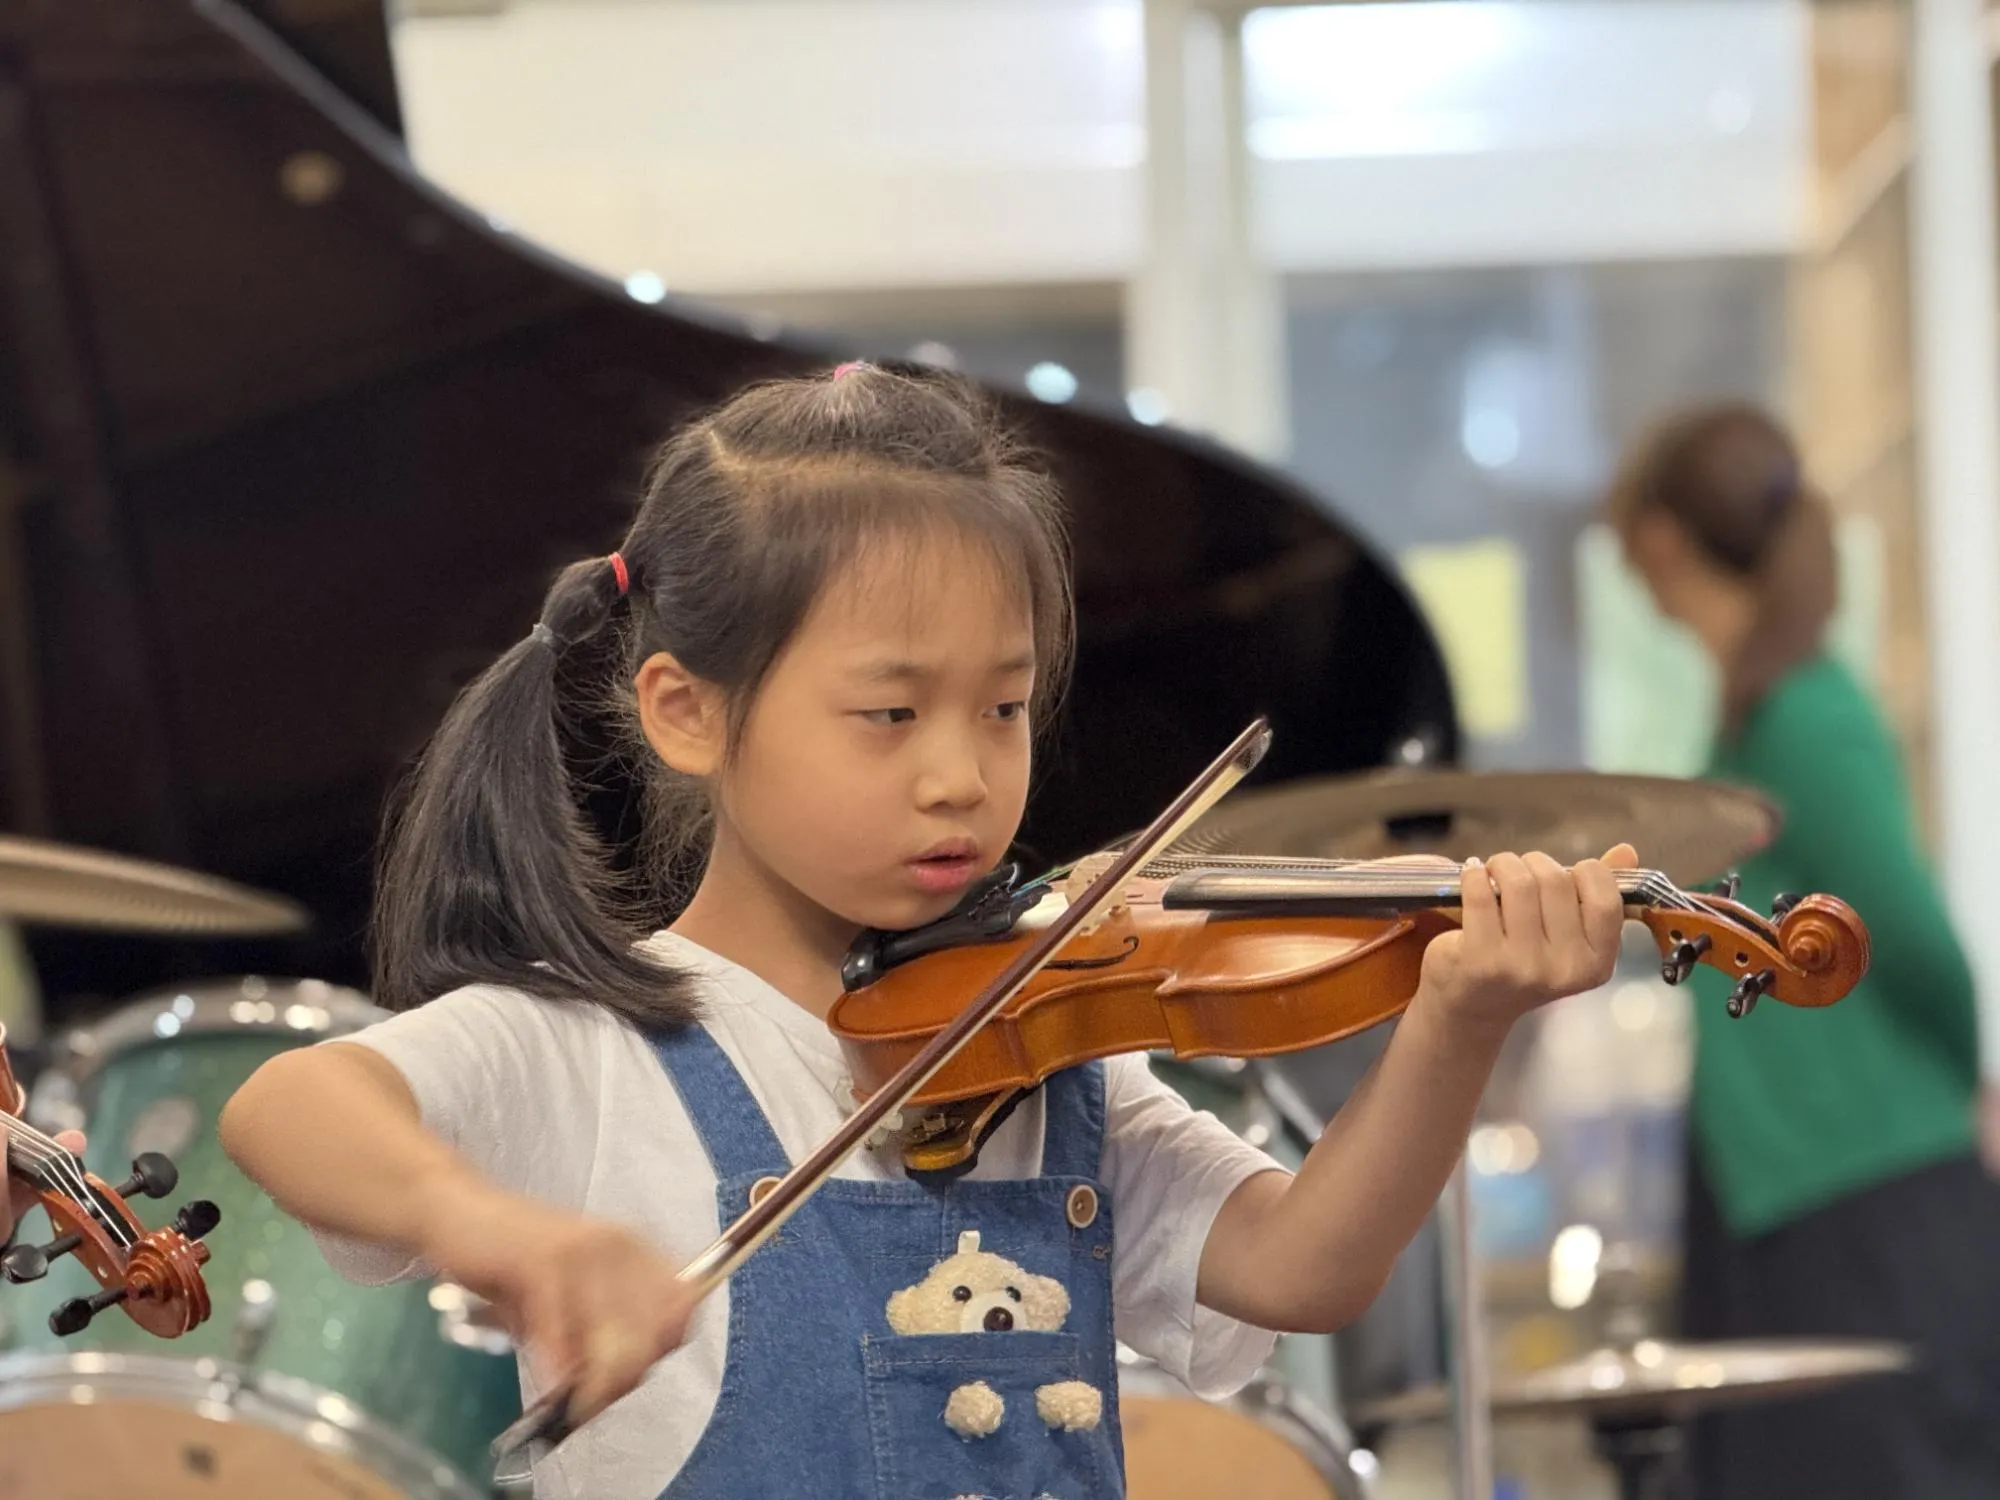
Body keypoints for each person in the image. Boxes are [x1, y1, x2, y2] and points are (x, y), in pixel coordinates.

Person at [220, 363, 1631, 1500]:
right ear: (686, 712)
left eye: (1002, 708)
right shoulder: (595, 1042)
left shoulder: (1039, 1046)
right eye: (889, 714)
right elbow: (290, 1107)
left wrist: (1455, 1020)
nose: (960, 774)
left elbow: (1299, 1267)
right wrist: (503, 1233)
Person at [1607, 402, 2000, 1500]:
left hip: (1864, 1182)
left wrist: (1965, 1085)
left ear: (1660, 541)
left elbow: (1916, 942)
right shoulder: (1750, 719)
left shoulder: (1802, 716)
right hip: (1787, 1175)